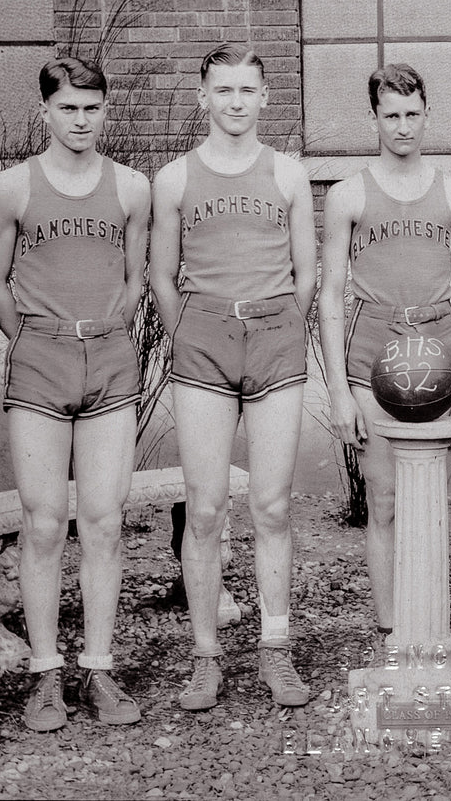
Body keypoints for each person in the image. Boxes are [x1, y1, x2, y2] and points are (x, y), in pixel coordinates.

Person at [0, 58, 150, 732]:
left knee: (105, 520)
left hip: (108, 355)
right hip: (40, 360)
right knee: (45, 521)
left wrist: (102, 331)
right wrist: (33, 338)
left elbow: (137, 278)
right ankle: (46, 674)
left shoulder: (132, 187)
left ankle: (100, 670)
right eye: (69, 108)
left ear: (105, 111)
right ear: (44, 111)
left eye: (92, 108)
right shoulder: (12, 187)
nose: (81, 121)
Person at [150, 44, 318, 710]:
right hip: (203, 341)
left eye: (247, 90)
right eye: (224, 91)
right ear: (203, 97)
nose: (236, 102)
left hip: (274, 334)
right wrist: (187, 331)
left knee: (272, 505)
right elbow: (161, 276)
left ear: (265, 97)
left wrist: (277, 325)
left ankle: (276, 651)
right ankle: (206, 657)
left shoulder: (289, 175)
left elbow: (307, 274)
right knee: (207, 506)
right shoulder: (173, 179)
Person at [317, 63, 451, 651]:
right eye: (391, 115)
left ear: (427, 114)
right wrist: (338, 389)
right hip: (372, 354)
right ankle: (392, 631)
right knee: (385, 493)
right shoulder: (348, 196)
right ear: (374, 119)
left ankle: (428, 620)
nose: (403, 126)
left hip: (436, 353)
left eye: (413, 114)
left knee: (430, 495)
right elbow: (330, 294)